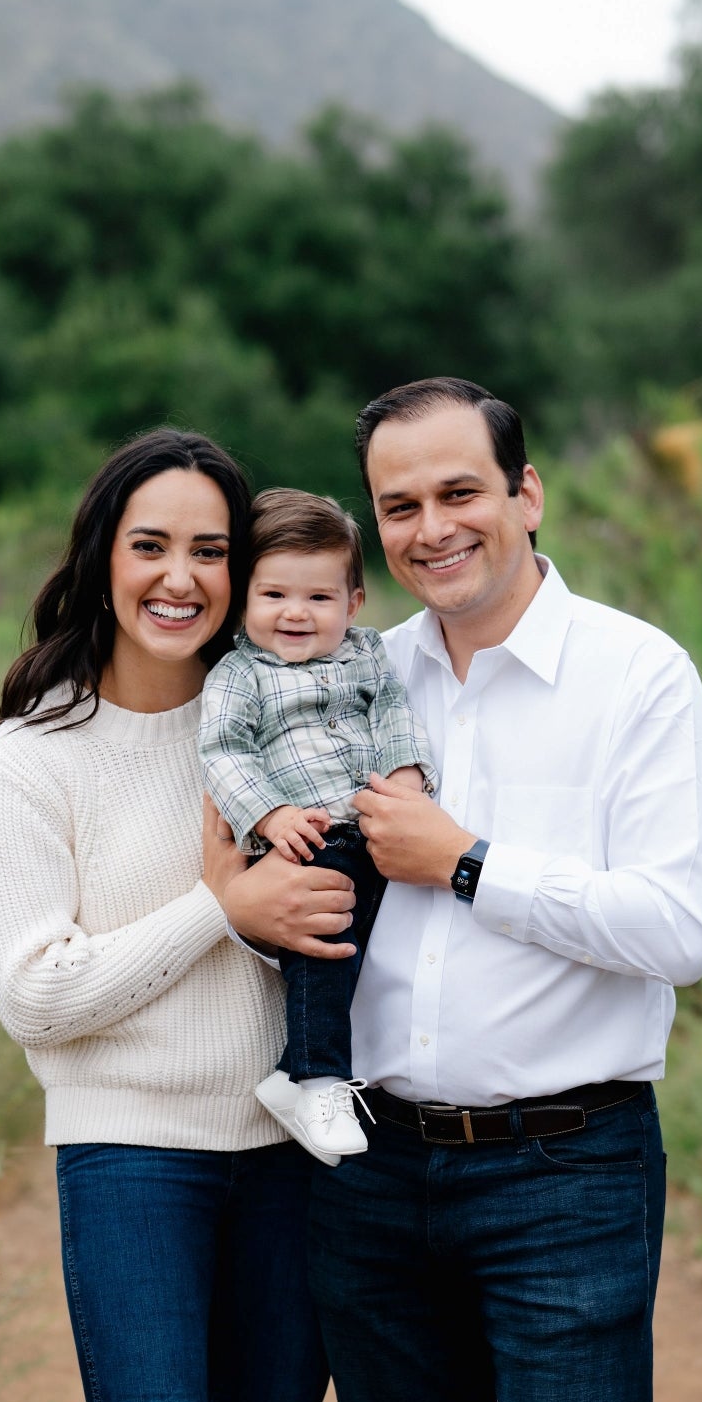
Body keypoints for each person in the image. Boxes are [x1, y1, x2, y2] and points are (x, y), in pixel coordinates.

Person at [308, 377, 702, 1402]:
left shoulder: (637, 676)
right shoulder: (354, 682)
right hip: (374, 1176)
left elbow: (680, 930)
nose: (431, 528)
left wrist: (469, 860)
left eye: (458, 493)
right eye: (399, 507)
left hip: (569, 1173)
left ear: (525, 495)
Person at [0, 429, 354, 1402]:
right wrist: (218, 910)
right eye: (151, 546)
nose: (179, 577)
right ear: (103, 557)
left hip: (290, 1159)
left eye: (211, 551)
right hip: (132, 1159)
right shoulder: (38, 755)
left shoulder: (285, 721)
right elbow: (37, 995)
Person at [199, 488, 436, 1163]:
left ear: (354, 603)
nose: (296, 613)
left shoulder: (366, 655)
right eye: (274, 596)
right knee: (326, 942)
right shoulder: (240, 675)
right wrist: (268, 815)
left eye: (319, 599)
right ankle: (319, 1078)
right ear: (244, 598)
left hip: (375, 827)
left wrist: (408, 772)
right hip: (306, 837)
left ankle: (288, 1073)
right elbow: (223, 751)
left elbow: (392, 711)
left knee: (370, 943)